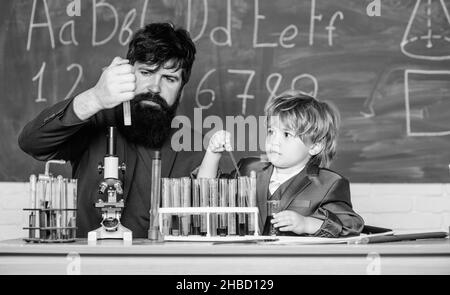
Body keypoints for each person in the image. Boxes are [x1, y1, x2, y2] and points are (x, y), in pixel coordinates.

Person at [18, 22, 203, 238]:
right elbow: (31, 142)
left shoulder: (194, 147)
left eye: (169, 78)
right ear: (126, 71)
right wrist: (94, 98)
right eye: (146, 72)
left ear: (181, 88)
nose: (155, 87)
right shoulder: (94, 120)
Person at [197, 90, 364, 237]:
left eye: (286, 134)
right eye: (271, 131)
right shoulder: (248, 169)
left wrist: (306, 224)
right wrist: (213, 153)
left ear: (314, 146)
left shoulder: (329, 184)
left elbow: (350, 225)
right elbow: (205, 194)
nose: (274, 141)